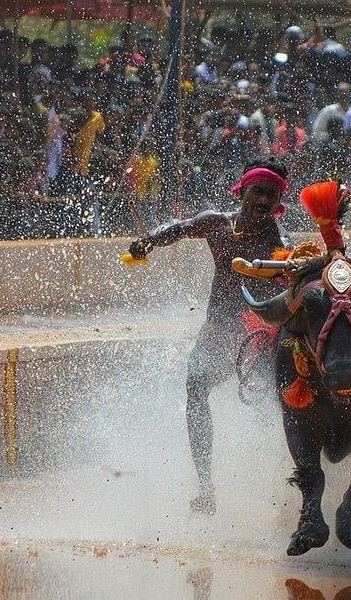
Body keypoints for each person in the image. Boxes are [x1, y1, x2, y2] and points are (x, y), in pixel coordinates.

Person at [126, 156, 292, 515]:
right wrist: (149, 241)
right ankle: (205, 487)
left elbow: (291, 285)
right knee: (195, 387)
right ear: (243, 190)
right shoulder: (216, 224)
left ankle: (286, 486)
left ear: (280, 203)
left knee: (277, 406)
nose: (264, 200)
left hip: (260, 334)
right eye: (258, 192)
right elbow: (180, 227)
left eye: (272, 195)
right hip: (219, 328)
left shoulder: (282, 243)